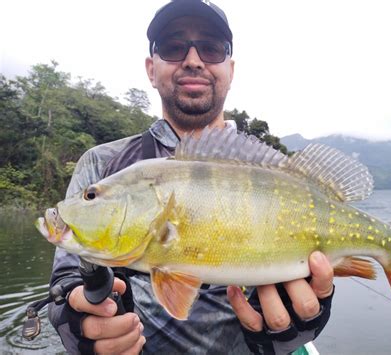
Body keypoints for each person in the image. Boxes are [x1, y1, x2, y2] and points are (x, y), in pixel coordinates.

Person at [48, 0, 335, 354]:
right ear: (151, 69)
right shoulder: (103, 164)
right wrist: (80, 327)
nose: (194, 60)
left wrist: (303, 321)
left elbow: (319, 275)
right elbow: (66, 283)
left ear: (230, 69)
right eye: (173, 47)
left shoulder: (273, 174)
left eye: (212, 49)